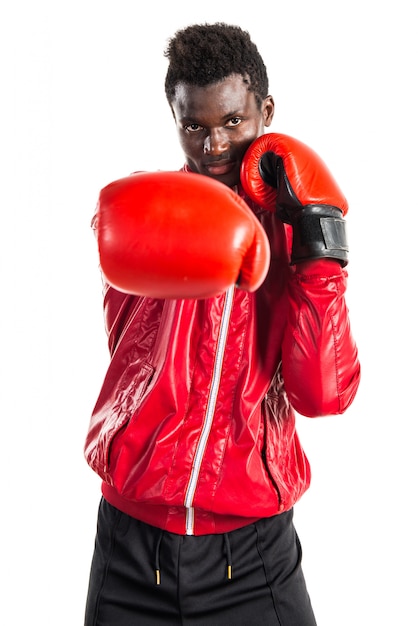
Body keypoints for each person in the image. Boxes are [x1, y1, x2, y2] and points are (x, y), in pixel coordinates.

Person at [83, 22, 360, 626]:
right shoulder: (143, 217)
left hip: (253, 557)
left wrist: (318, 251)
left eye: (233, 122)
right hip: (132, 544)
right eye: (194, 126)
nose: (213, 146)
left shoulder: (294, 237)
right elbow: (131, 362)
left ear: (266, 111)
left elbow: (322, 395)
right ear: (173, 117)